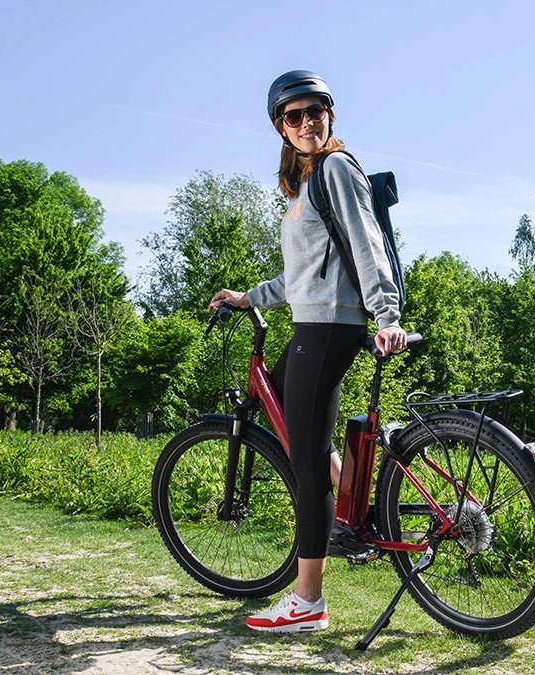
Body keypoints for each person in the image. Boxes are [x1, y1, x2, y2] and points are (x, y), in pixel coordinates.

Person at [207, 69, 406, 633]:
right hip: (312, 325)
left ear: (329, 114)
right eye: (292, 116)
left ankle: (307, 601)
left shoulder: (337, 169)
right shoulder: (305, 187)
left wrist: (387, 315)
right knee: (304, 435)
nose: (305, 121)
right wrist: (250, 297)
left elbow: (366, 244)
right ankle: (350, 517)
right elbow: (302, 278)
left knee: (306, 465)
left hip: (327, 331)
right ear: (281, 128)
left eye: (313, 110)